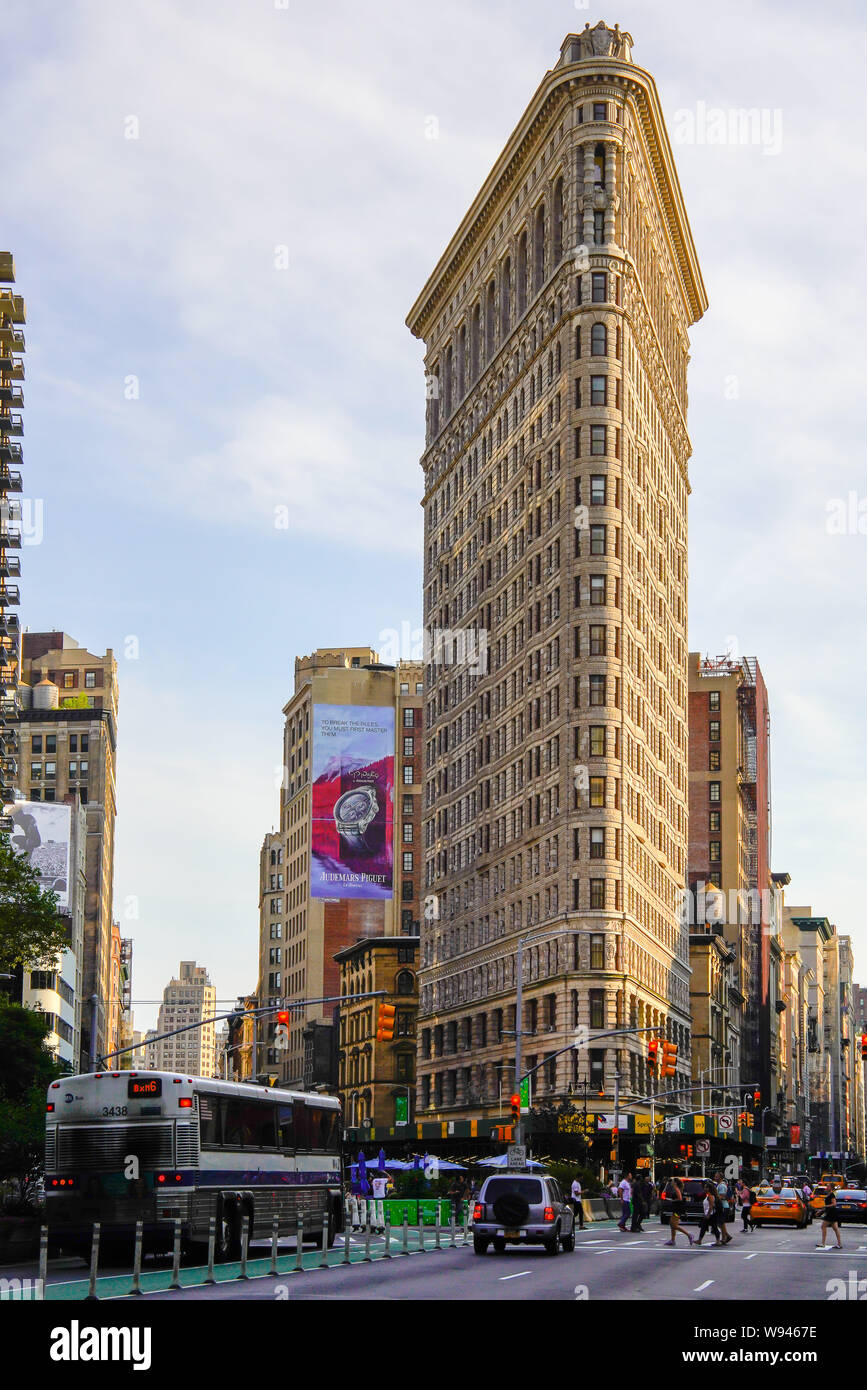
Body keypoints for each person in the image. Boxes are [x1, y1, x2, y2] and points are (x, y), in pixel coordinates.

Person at [663, 1175, 694, 1247]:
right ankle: (672, 1240)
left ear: (675, 1183)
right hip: (675, 1208)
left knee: (674, 1225)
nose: (672, 1182)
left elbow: (680, 1199)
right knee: (671, 1224)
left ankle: (689, 1235)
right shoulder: (675, 1188)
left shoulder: (676, 1189)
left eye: (673, 1181)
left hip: (677, 1209)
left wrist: (673, 1200)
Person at [816, 1186, 843, 1250]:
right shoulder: (828, 1195)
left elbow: (834, 1204)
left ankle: (823, 1243)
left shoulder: (832, 1195)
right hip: (830, 1212)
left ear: (830, 1188)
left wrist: (825, 1206)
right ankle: (839, 1244)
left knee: (823, 1226)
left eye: (828, 1186)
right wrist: (821, 1211)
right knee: (835, 1228)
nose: (826, 1188)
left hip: (831, 1213)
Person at [713, 1171, 733, 1244]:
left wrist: (714, 1197)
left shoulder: (722, 1186)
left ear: (720, 1178)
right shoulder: (718, 1185)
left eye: (716, 1176)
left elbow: (722, 1196)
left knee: (721, 1222)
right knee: (720, 1222)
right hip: (720, 1206)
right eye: (715, 1176)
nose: (715, 1178)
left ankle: (725, 1237)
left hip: (723, 1206)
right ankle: (726, 1236)